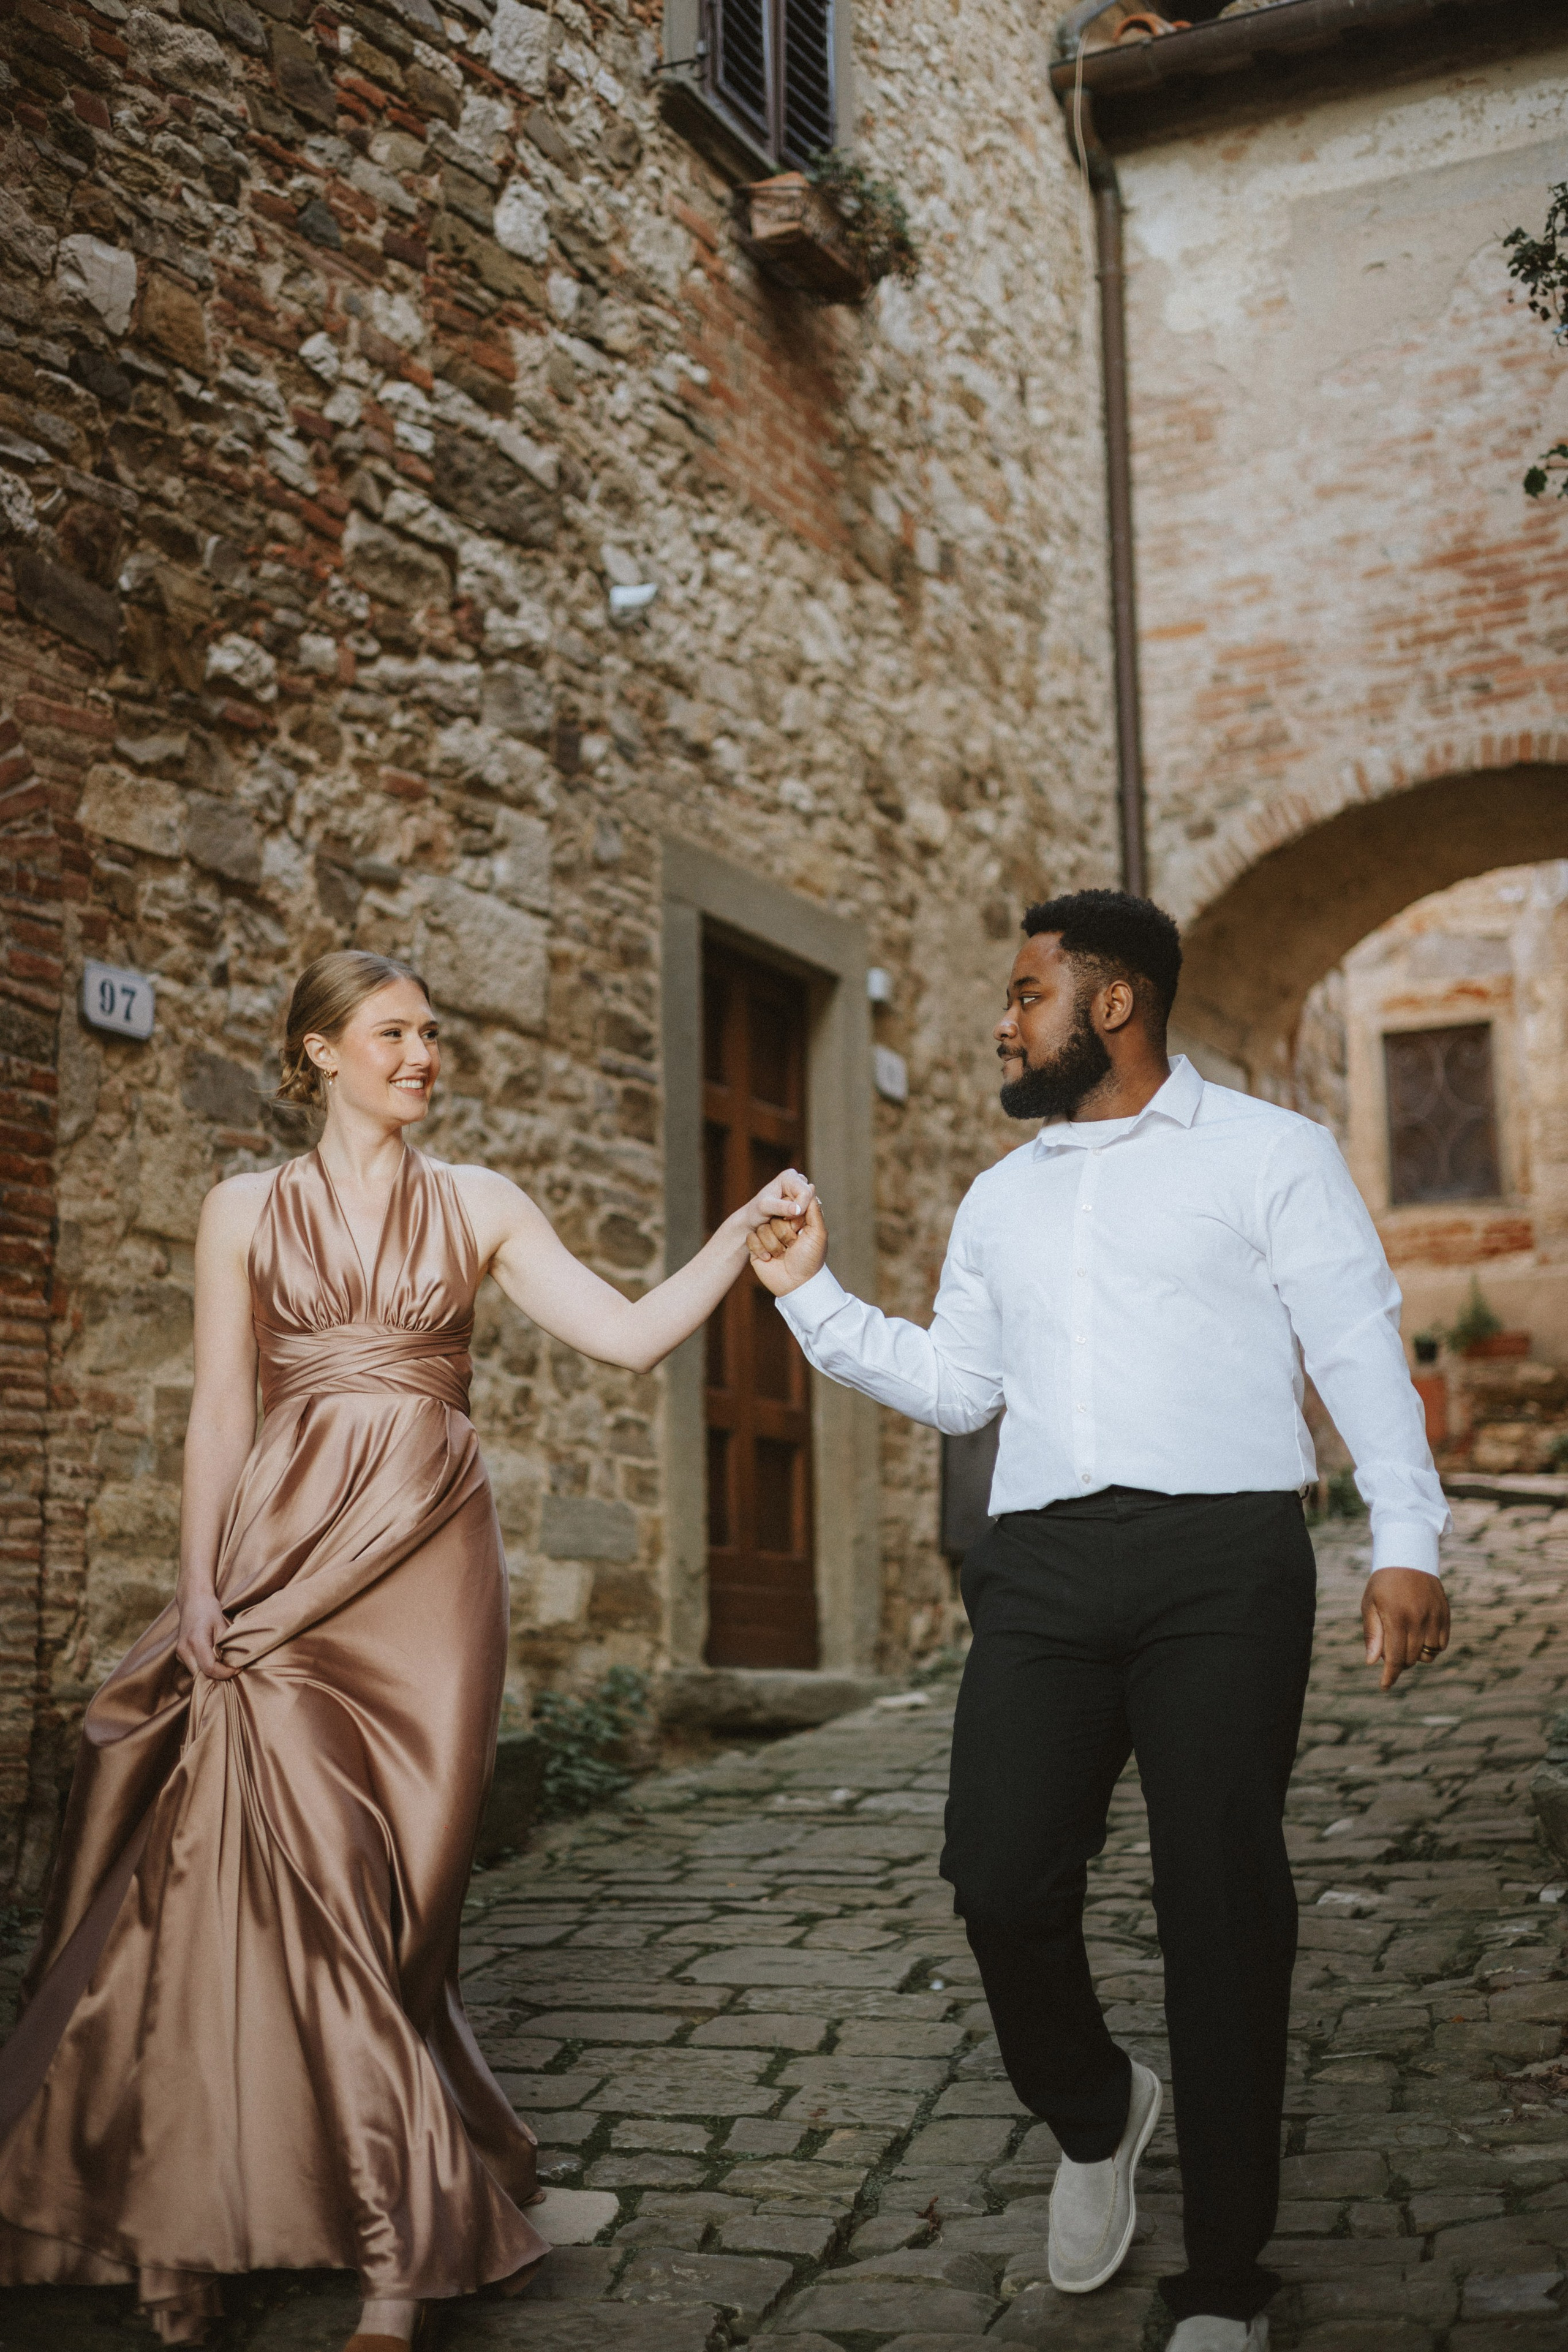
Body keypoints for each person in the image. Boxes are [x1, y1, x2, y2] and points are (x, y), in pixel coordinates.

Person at [0, 949, 812, 2351]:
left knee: (399, 1907)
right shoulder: (241, 1209)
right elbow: (217, 1413)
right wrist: (198, 1584)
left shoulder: (482, 1204)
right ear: (320, 1053)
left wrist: (737, 1235)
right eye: (392, 1034)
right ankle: (360, 2249)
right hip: (282, 1574)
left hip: (431, 1575)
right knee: (268, 1879)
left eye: (431, 1032)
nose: (422, 1054)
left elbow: (621, 1340)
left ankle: (322, 2201)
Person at [749, 889, 1450, 2352]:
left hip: (1223, 1563)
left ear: (1109, 1005)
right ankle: (1094, 2104)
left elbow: (1352, 1339)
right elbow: (959, 1386)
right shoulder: (1003, 1196)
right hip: (1046, 1567)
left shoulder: (1270, 1154)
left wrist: (1406, 1542)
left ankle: (1222, 2280)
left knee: (1218, 1907)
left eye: (1022, 996)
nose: (1000, 1025)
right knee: (999, 1877)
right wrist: (809, 1299)